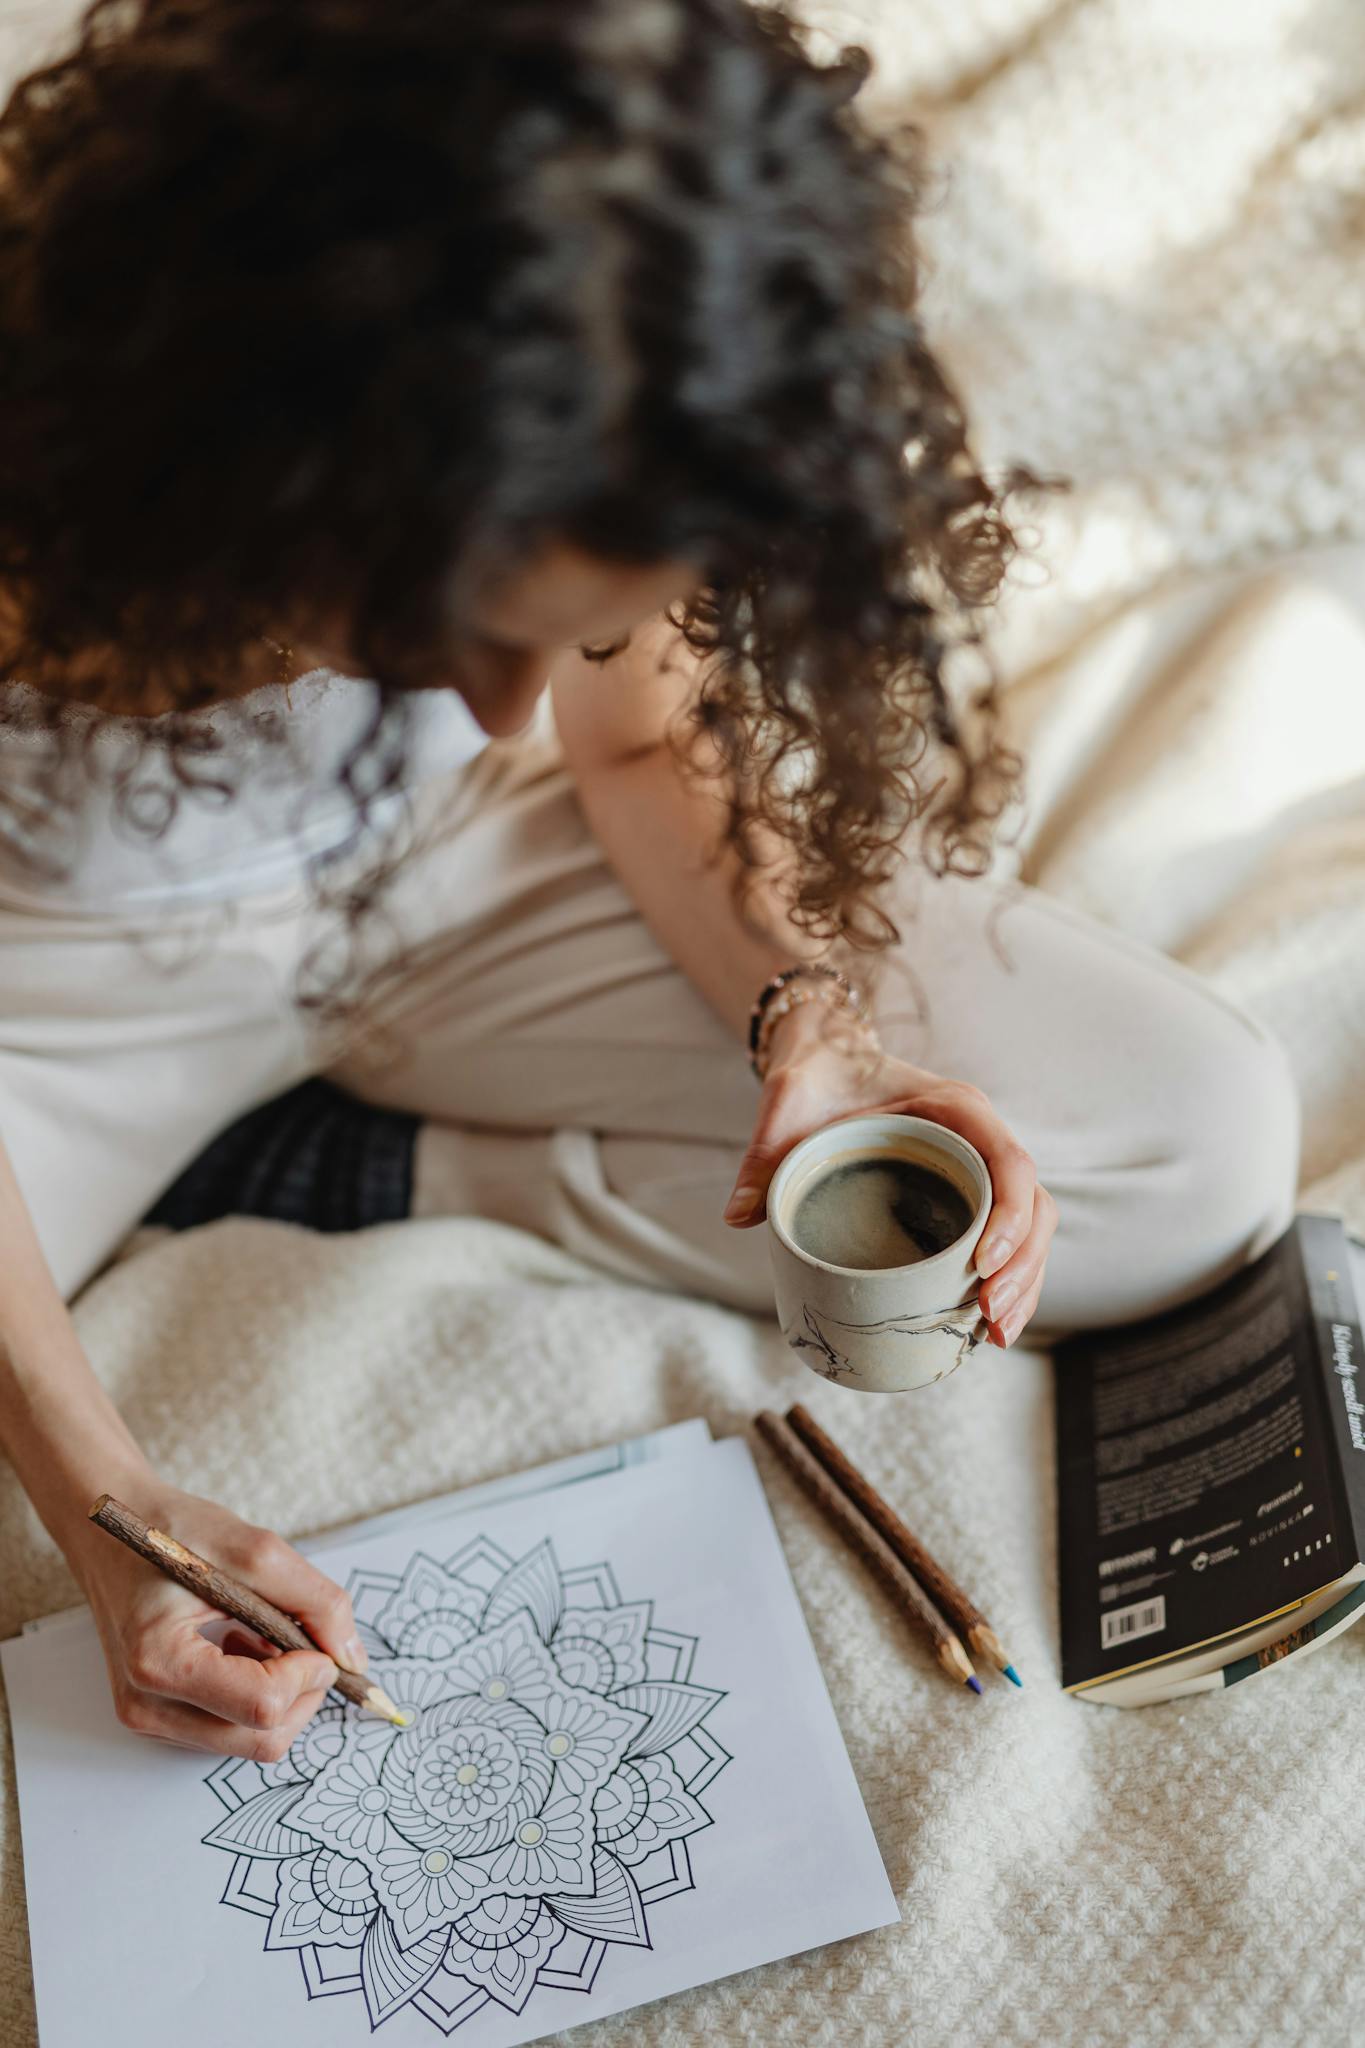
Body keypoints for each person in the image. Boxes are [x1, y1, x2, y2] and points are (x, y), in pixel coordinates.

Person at [0, 0, 1298, 1761]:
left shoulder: (603, 329)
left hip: (461, 879)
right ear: (260, 463)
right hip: (48, 996)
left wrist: (807, 1024)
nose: (499, 703)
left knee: (1187, 1140)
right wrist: (111, 1510)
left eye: (551, 625)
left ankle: (379, 1163)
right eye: (445, 629)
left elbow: (616, 746)